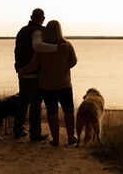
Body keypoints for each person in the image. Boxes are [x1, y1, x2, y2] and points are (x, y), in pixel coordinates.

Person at [19, 20, 77, 146]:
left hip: (47, 86)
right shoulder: (67, 45)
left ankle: (55, 139)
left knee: (52, 112)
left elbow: (34, 65)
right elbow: (73, 62)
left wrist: (23, 71)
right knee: (69, 111)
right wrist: (63, 67)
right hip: (64, 84)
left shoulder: (42, 49)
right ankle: (71, 137)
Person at [14, 8, 68, 142]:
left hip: (22, 72)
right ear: (43, 19)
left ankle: (18, 130)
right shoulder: (37, 32)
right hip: (33, 74)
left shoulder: (22, 30)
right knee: (35, 104)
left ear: (31, 17)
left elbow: (17, 50)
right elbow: (38, 46)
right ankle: (35, 134)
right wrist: (57, 48)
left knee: (22, 102)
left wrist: (20, 68)